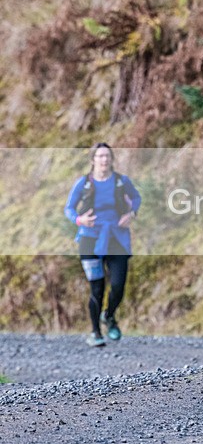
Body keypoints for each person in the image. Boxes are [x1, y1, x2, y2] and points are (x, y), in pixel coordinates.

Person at [64, 143, 141, 347]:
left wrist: (131, 214)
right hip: (90, 239)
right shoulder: (84, 183)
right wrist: (80, 220)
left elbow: (136, 198)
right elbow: (69, 209)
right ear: (93, 160)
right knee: (96, 288)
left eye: (107, 156)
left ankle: (109, 315)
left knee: (117, 285)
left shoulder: (121, 182)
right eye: (100, 156)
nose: (104, 160)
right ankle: (95, 332)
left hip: (116, 237)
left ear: (112, 159)